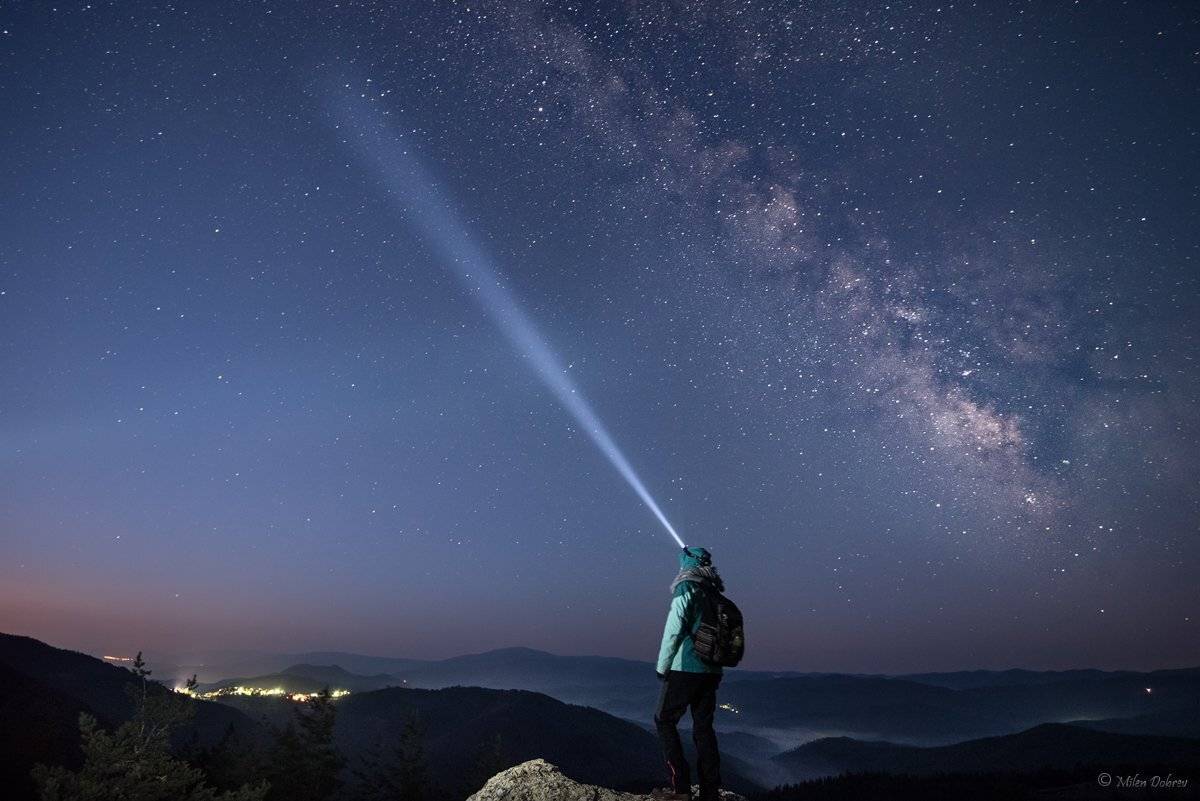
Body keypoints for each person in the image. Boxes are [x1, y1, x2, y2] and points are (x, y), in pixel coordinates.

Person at [653, 546, 724, 801]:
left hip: (686, 668)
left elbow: (674, 630)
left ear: (687, 563)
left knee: (664, 720)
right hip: (712, 670)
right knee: (703, 728)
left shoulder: (687, 587)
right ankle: (710, 792)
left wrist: (662, 666)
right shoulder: (714, 591)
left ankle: (680, 788)